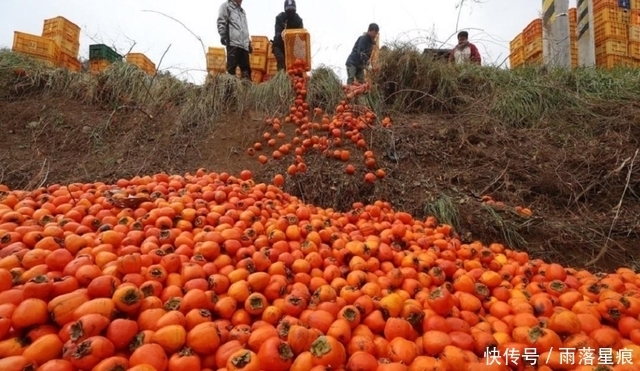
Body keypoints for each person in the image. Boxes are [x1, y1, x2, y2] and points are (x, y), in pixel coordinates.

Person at [217, 0, 252, 79]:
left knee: (246, 72)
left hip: (244, 46)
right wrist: (222, 34)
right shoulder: (226, 6)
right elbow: (221, 21)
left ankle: (247, 90)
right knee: (231, 70)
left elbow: (245, 29)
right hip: (233, 44)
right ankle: (230, 89)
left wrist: (248, 43)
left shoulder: (242, 12)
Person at [272, 0, 304, 71]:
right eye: (288, 9)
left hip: (293, 47)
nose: (290, 11)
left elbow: (301, 35)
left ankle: (295, 79)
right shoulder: (280, 17)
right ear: (285, 8)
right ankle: (282, 79)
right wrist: (281, 34)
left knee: (295, 65)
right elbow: (277, 32)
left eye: (292, 9)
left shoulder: (298, 20)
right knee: (281, 61)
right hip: (280, 45)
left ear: (295, 8)